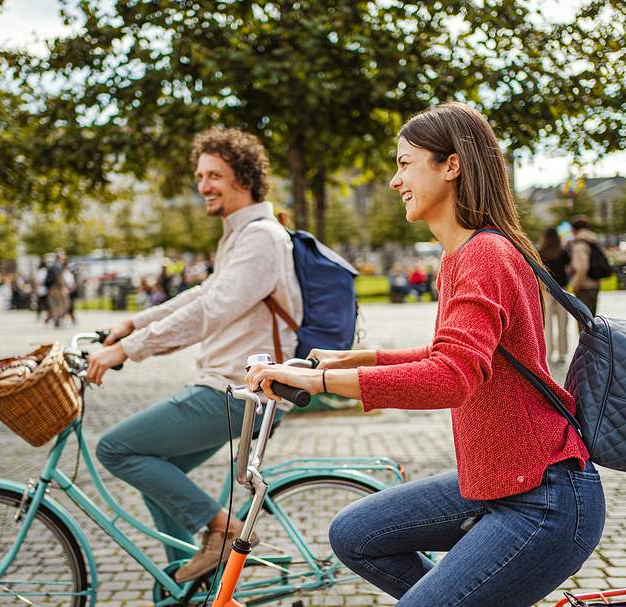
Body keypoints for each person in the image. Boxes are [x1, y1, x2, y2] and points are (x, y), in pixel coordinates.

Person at [246, 103, 604, 607]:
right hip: (501, 482)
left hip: (541, 500)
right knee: (355, 534)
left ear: (451, 165)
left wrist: (318, 382)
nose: (396, 181)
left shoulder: (485, 255)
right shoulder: (462, 255)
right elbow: (452, 353)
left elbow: (451, 377)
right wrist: (355, 360)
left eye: (405, 163)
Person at [86, 127, 302, 582]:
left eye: (214, 175)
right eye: (200, 175)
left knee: (117, 448)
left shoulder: (261, 237)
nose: (203, 185)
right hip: (230, 387)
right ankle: (186, 587)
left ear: (244, 178)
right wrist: (133, 324)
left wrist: (129, 349)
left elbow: (211, 309)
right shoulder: (240, 235)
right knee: (159, 476)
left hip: (239, 390)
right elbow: (203, 293)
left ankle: (224, 530)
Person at [538, 227, 571, 364]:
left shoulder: (540, 252)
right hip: (561, 289)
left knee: (547, 323)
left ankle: (549, 352)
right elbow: (569, 268)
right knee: (563, 323)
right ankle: (562, 353)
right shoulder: (563, 252)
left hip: (546, 290)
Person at [569, 215, 601, 319]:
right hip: (595, 283)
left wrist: (576, 284)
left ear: (574, 229)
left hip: (584, 285)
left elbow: (582, 267)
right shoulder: (593, 241)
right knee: (592, 318)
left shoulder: (579, 244)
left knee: (583, 320)